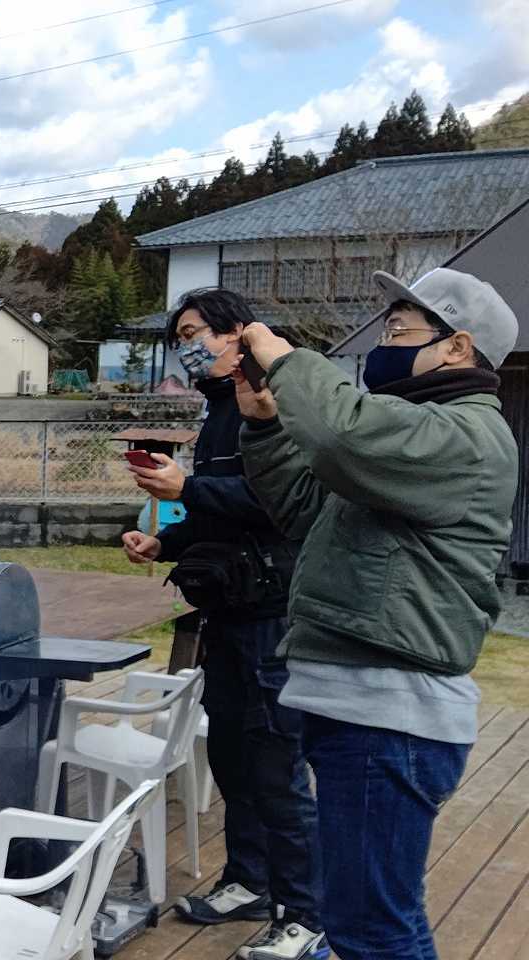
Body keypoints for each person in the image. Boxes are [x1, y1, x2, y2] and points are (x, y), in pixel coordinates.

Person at [238, 267, 518, 960]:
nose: (381, 344)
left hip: (390, 715)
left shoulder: (463, 436)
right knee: (364, 919)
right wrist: (267, 427)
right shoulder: (411, 441)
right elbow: (307, 510)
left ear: (457, 347)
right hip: (363, 709)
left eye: (398, 330)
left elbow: (339, 435)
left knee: (373, 929)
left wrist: (286, 360)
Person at [119, 292, 323, 959]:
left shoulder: (276, 402)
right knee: (233, 756)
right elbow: (216, 510)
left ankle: (307, 913)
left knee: (277, 764)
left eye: (194, 333)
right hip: (227, 610)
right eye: (179, 338)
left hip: (272, 612)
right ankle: (249, 880)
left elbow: (280, 503)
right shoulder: (216, 411)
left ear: (238, 332)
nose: (187, 347)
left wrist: (188, 491)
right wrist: (166, 542)